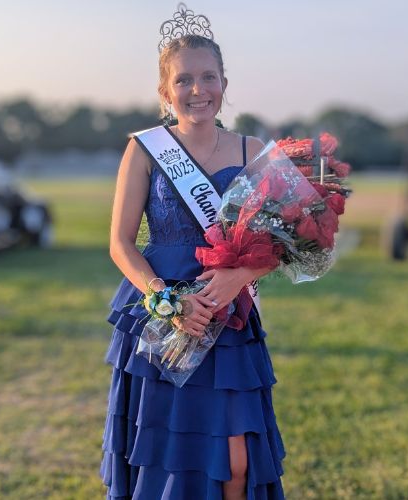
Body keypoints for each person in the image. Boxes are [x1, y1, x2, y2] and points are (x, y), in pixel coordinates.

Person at [101, 6, 285, 499]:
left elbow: (281, 244)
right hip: (164, 317)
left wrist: (236, 277)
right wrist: (167, 300)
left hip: (228, 317)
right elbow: (120, 243)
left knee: (236, 463)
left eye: (209, 77)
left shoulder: (253, 150)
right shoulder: (143, 149)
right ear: (165, 91)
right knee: (163, 454)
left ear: (225, 82)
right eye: (184, 80)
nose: (198, 90)